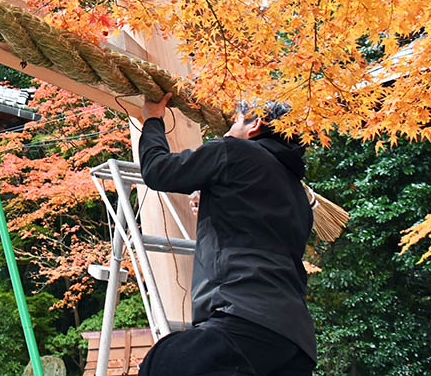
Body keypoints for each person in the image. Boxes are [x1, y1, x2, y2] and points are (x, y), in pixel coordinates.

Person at [134, 94, 316, 376]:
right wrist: (212, 200)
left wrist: (153, 120)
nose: (228, 129)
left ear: (253, 125)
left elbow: (159, 171)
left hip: (243, 315)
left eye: (234, 121)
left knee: (164, 363)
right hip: (295, 340)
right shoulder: (298, 196)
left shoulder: (235, 151)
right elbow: (252, 221)